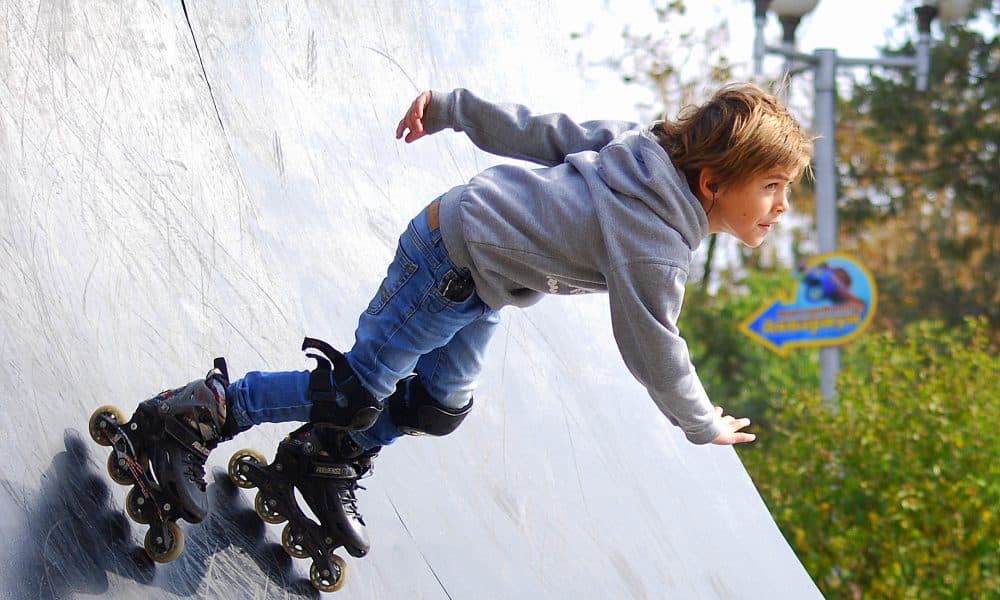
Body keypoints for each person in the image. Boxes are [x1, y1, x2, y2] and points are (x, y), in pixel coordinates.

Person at [106, 82, 813, 563]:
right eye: (772, 188)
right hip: (447, 260)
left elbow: (546, 131)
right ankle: (199, 412)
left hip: (479, 281)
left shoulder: (644, 150)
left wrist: (453, 107)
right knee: (355, 390)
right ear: (713, 183)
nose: (782, 207)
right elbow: (655, 348)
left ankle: (326, 458)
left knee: (439, 405)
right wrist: (702, 423)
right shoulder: (657, 246)